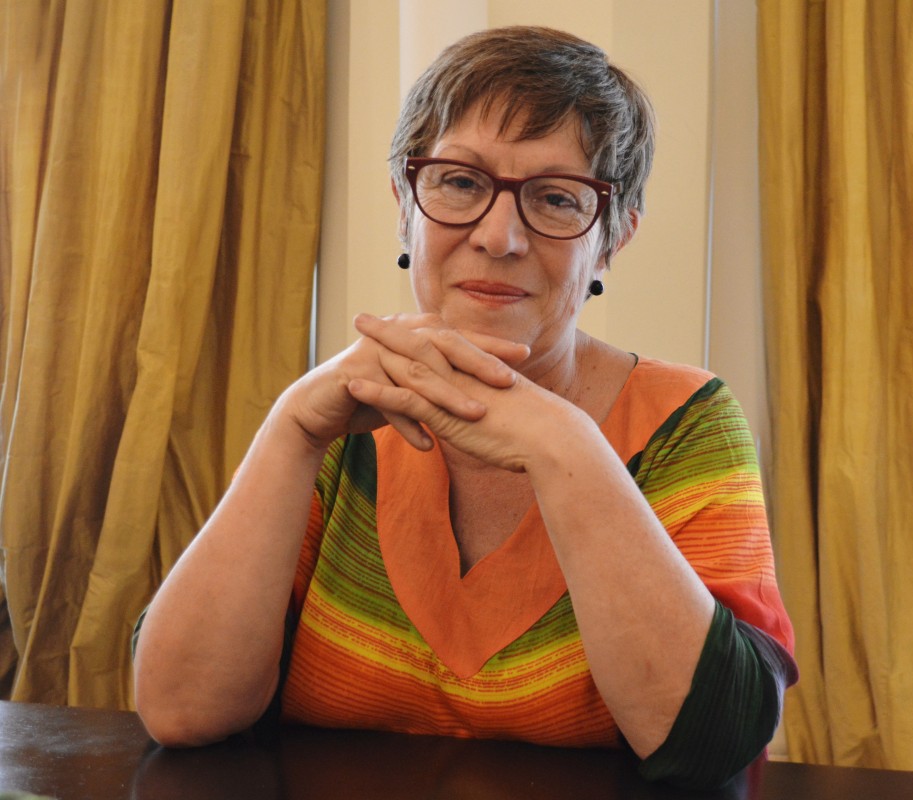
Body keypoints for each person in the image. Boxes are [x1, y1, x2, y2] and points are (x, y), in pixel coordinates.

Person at [132, 25, 797, 789]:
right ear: (404, 207)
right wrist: (290, 429)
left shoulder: (687, 421)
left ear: (611, 240)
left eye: (556, 198)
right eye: (459, 182)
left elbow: (714, 745)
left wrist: (564, 446)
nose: (499, 236)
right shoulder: (337, 424)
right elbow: (182, 710)